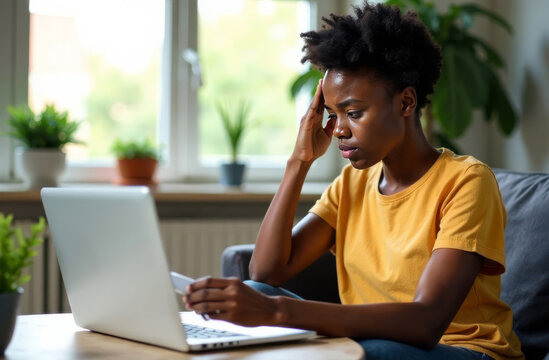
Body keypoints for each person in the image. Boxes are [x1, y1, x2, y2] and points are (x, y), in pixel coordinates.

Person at [183, 2, 524, 359]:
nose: (340, 129)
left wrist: (279, 312)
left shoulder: (466, 181)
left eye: (354, 112)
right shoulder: (351, 185)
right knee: (259, 290)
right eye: (332, 114)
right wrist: (298, 162)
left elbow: (426, 321)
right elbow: (267, 271)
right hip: (368, 345)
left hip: (464, 350)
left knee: (364, 350)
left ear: (406, 103)